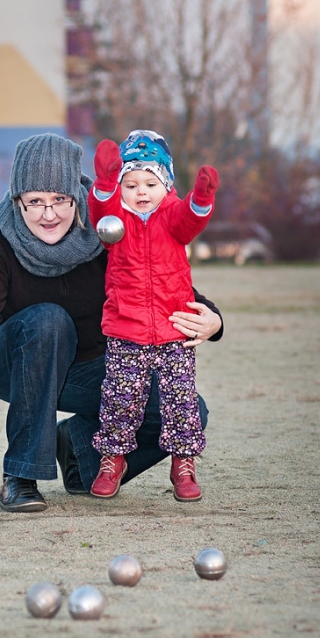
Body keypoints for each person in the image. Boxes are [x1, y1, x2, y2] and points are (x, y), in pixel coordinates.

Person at [0, 132, 223, 514]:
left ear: (76, 195)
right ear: (17, 200)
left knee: (189, 411)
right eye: (35, 202)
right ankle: (20, 477)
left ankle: (79, 455)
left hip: (88, 369)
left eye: (60, 200)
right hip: (16, 362)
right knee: (49, 320)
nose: (49, 213)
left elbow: (160, 282)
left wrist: (212, 319)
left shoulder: (109, 226)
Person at [87, 130, 219, 502]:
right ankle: (113, 458)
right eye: (130, 184)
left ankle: (183, 462)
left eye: (150, 182)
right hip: (126, 330)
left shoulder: (171, 218)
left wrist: (202, 197)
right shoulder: (116, 224)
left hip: (173, 330)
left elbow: (191, 220)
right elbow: (101, 211)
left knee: (181, 401)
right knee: (119, 400)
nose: (141, 191)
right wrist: (105, 181)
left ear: (166, 185)